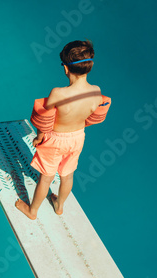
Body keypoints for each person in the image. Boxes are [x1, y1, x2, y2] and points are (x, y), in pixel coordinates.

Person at [15, 40, 111, 220]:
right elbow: (92, 115)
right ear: (89, 67)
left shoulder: (58, 93)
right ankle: (59, 206)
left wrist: (39, 137)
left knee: (46, 178)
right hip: (77, 138)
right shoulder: (96, 92)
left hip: (56, 140)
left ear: (66, 69)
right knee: (67, 176)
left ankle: (32, 211)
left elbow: (44, 118)